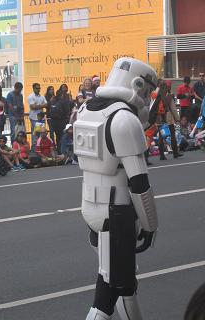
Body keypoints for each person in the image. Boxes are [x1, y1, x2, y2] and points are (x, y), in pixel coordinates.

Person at [74, 57, 158, 320]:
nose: (145, 99)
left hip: (91, 209)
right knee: (108, 294)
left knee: (124, 284)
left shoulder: (87, 109)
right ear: (136, 84)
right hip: (117, 213)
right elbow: (139, 183)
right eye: (146, 92)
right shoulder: (123, 119)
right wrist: (150, 224)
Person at [151, 80, 182, 160]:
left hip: (159, 118)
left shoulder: (155, 96)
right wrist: (177, 119)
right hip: (168, 118)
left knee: (161, 136)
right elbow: (173, 109)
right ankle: (175, 153)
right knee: (172, 134)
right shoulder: (169, 96)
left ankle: (162, 155)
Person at [50, 90, 71, 154]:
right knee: (63, 136)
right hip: (62, 121)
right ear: (62, 95)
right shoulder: (64, 101)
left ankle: (59, 151)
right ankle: (63, 152)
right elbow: (67, 111)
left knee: (57, 136)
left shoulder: (53, 101)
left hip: (54, 122)